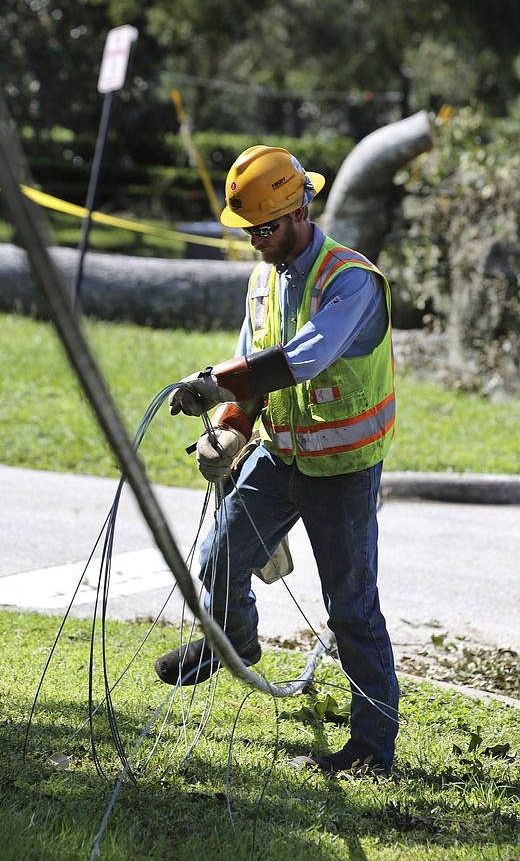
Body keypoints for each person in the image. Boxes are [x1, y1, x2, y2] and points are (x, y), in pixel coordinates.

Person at [154, 145, 399, 773]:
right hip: (282, 454)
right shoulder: (263, 280)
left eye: (265, 227)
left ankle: (372, 747)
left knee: (351, 608)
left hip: (342, 469)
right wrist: (230, 426)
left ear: (300, 209)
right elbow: (254, 367)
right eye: (249, 229)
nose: (256, 240)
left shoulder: (350, 282)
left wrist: (213, 384)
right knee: (217, 559)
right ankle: (233, 642)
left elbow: (304, 358)